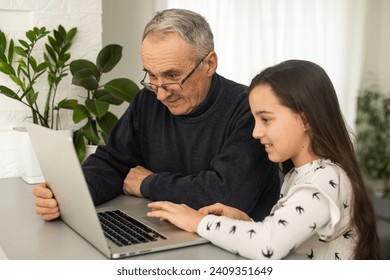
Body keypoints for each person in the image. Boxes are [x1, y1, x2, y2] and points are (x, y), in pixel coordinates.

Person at [32, 9, 280, 222]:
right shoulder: (147, 100)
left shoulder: (249, 109)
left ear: (210, 64)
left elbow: (228, 195)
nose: (160, 95)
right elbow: (112, 162)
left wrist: (147, 183)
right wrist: (72, 194)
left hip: (234, 246)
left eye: (172, 76)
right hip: (167, 230)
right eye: (151, 75)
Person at [147, 60, 384, 260]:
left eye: (266, 120)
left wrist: (197, 222)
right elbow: (291, 239)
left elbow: (268, 245)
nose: (255, 132)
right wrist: (246, 221)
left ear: (306, 119)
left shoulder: (324, 178)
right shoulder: (300, 173)